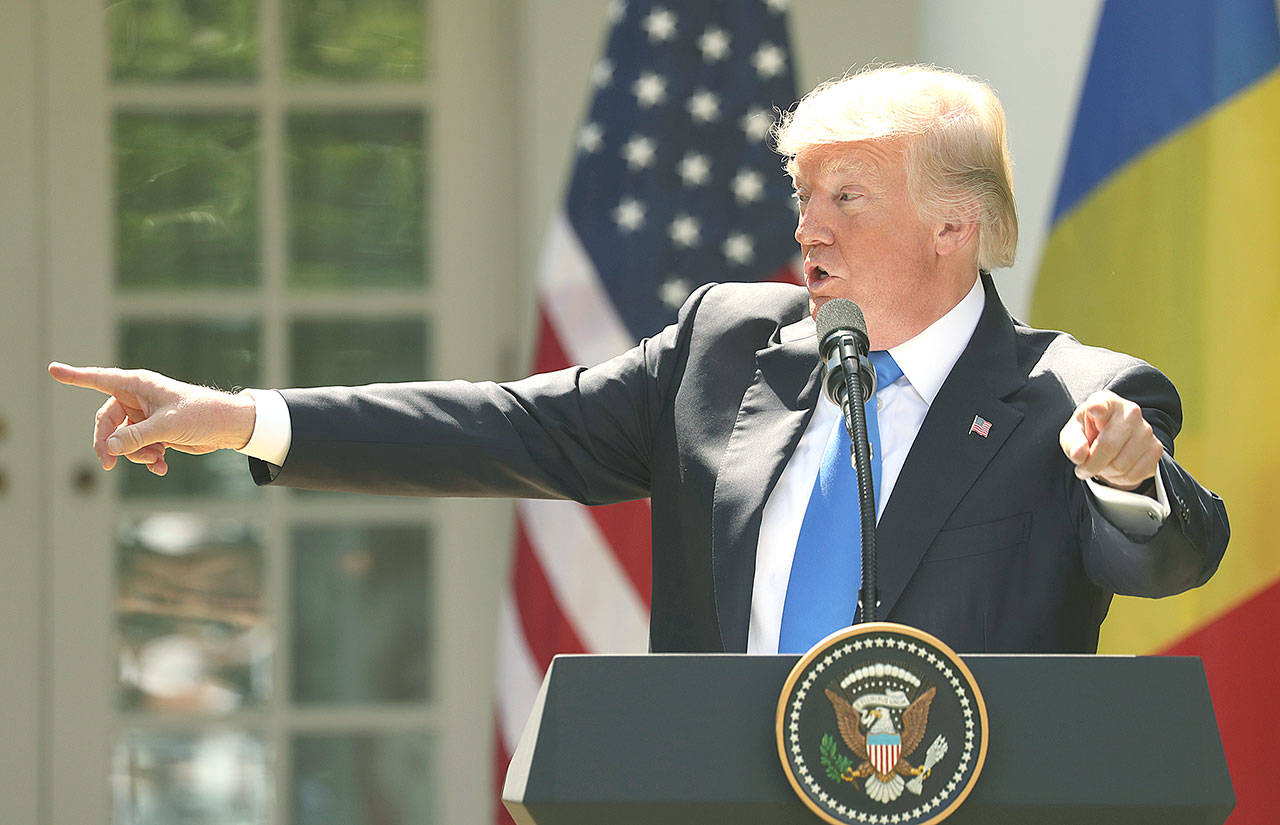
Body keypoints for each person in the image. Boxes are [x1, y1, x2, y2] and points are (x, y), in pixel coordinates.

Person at [50, 65, 1228, 656]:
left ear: (951, 228)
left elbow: (1172, 555)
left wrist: (1125, 478)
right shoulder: (725, 349)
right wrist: (241, 416)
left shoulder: (1076, 397)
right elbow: (507, 426)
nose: (805, 228)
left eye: (846, 197)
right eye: (801, 193)